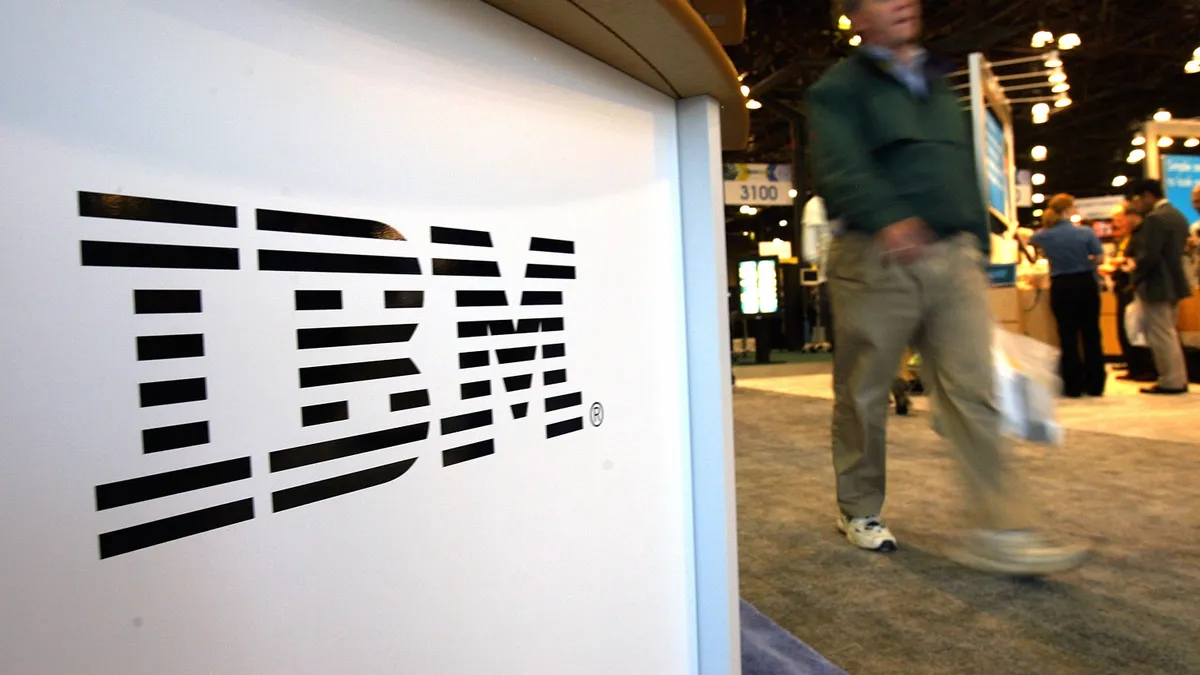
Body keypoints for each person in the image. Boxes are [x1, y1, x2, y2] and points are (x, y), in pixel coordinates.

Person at [806, 0, 1089, 575]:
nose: (904, 2)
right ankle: (858, 508)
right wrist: (887, 217)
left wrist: (979, 248)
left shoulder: (939, 86)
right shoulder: (838, 89)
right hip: (875, 257)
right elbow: (840, 167)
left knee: (974, 393)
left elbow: (965, 173)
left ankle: (1001, 529)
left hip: (952, 257)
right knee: (865, 392)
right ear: (857, 20)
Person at [1023, 194, 1105, 397]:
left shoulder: (1044, 236)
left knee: (1067, 336)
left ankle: (1073, 386)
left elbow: (1025, 237)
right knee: (1091, 334)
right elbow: (1100, 258)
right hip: (1086, 283)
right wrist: (1088, 263)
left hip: (1061, 286)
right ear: (1068, 210)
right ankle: (1095, 385)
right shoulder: (1086, 233)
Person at [1129, 179, 1191, 395]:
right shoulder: (1177, 215)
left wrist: (1135, 278)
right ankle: (1178, 378)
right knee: (1170, 333)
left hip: (1158, 284)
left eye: (1137, 199)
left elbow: (1150, 256)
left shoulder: (1155, 218)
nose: (1137, 205)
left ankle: (1170, 381)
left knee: (1160, 334)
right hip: (1175, 282)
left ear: (1147, 195)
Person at [1102, 201, 1156, 381]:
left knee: (1135, 329)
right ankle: (1133, 365)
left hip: (1132, 287)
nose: (1118, 224)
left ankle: (1142, 368)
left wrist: (1121, 264)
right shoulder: (1128, 238)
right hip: (1124, 286)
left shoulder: (1139, 236)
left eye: (1120, 219)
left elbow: (1138, 261)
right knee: (1126, 328)